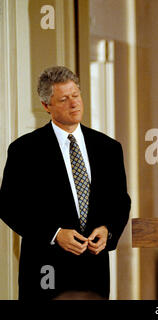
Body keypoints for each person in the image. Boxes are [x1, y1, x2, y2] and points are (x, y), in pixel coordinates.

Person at [0, 66, 131, 300]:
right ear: (46, 106)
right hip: (45, 271)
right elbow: (9, 207)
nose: (74, 104)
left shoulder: (109, 148)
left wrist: (107, 230)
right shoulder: (24, 150)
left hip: (94, 271)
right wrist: (55, 233)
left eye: (76, 95)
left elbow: (120, 202)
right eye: (63, 99)